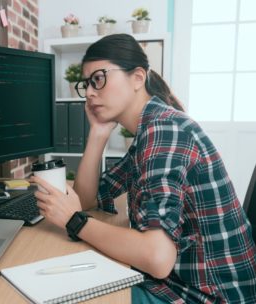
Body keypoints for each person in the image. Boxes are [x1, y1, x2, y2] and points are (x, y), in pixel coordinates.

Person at [31, 34, 256, 303]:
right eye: (87, 83)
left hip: (205, 295)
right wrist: (98, 133)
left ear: (138, 78)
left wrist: (74, 221)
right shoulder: (150, 130)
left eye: (99, 79)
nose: (90, 92)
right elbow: (88, 199)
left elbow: (158, 257)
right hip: (184, 283)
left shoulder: (164, 130)